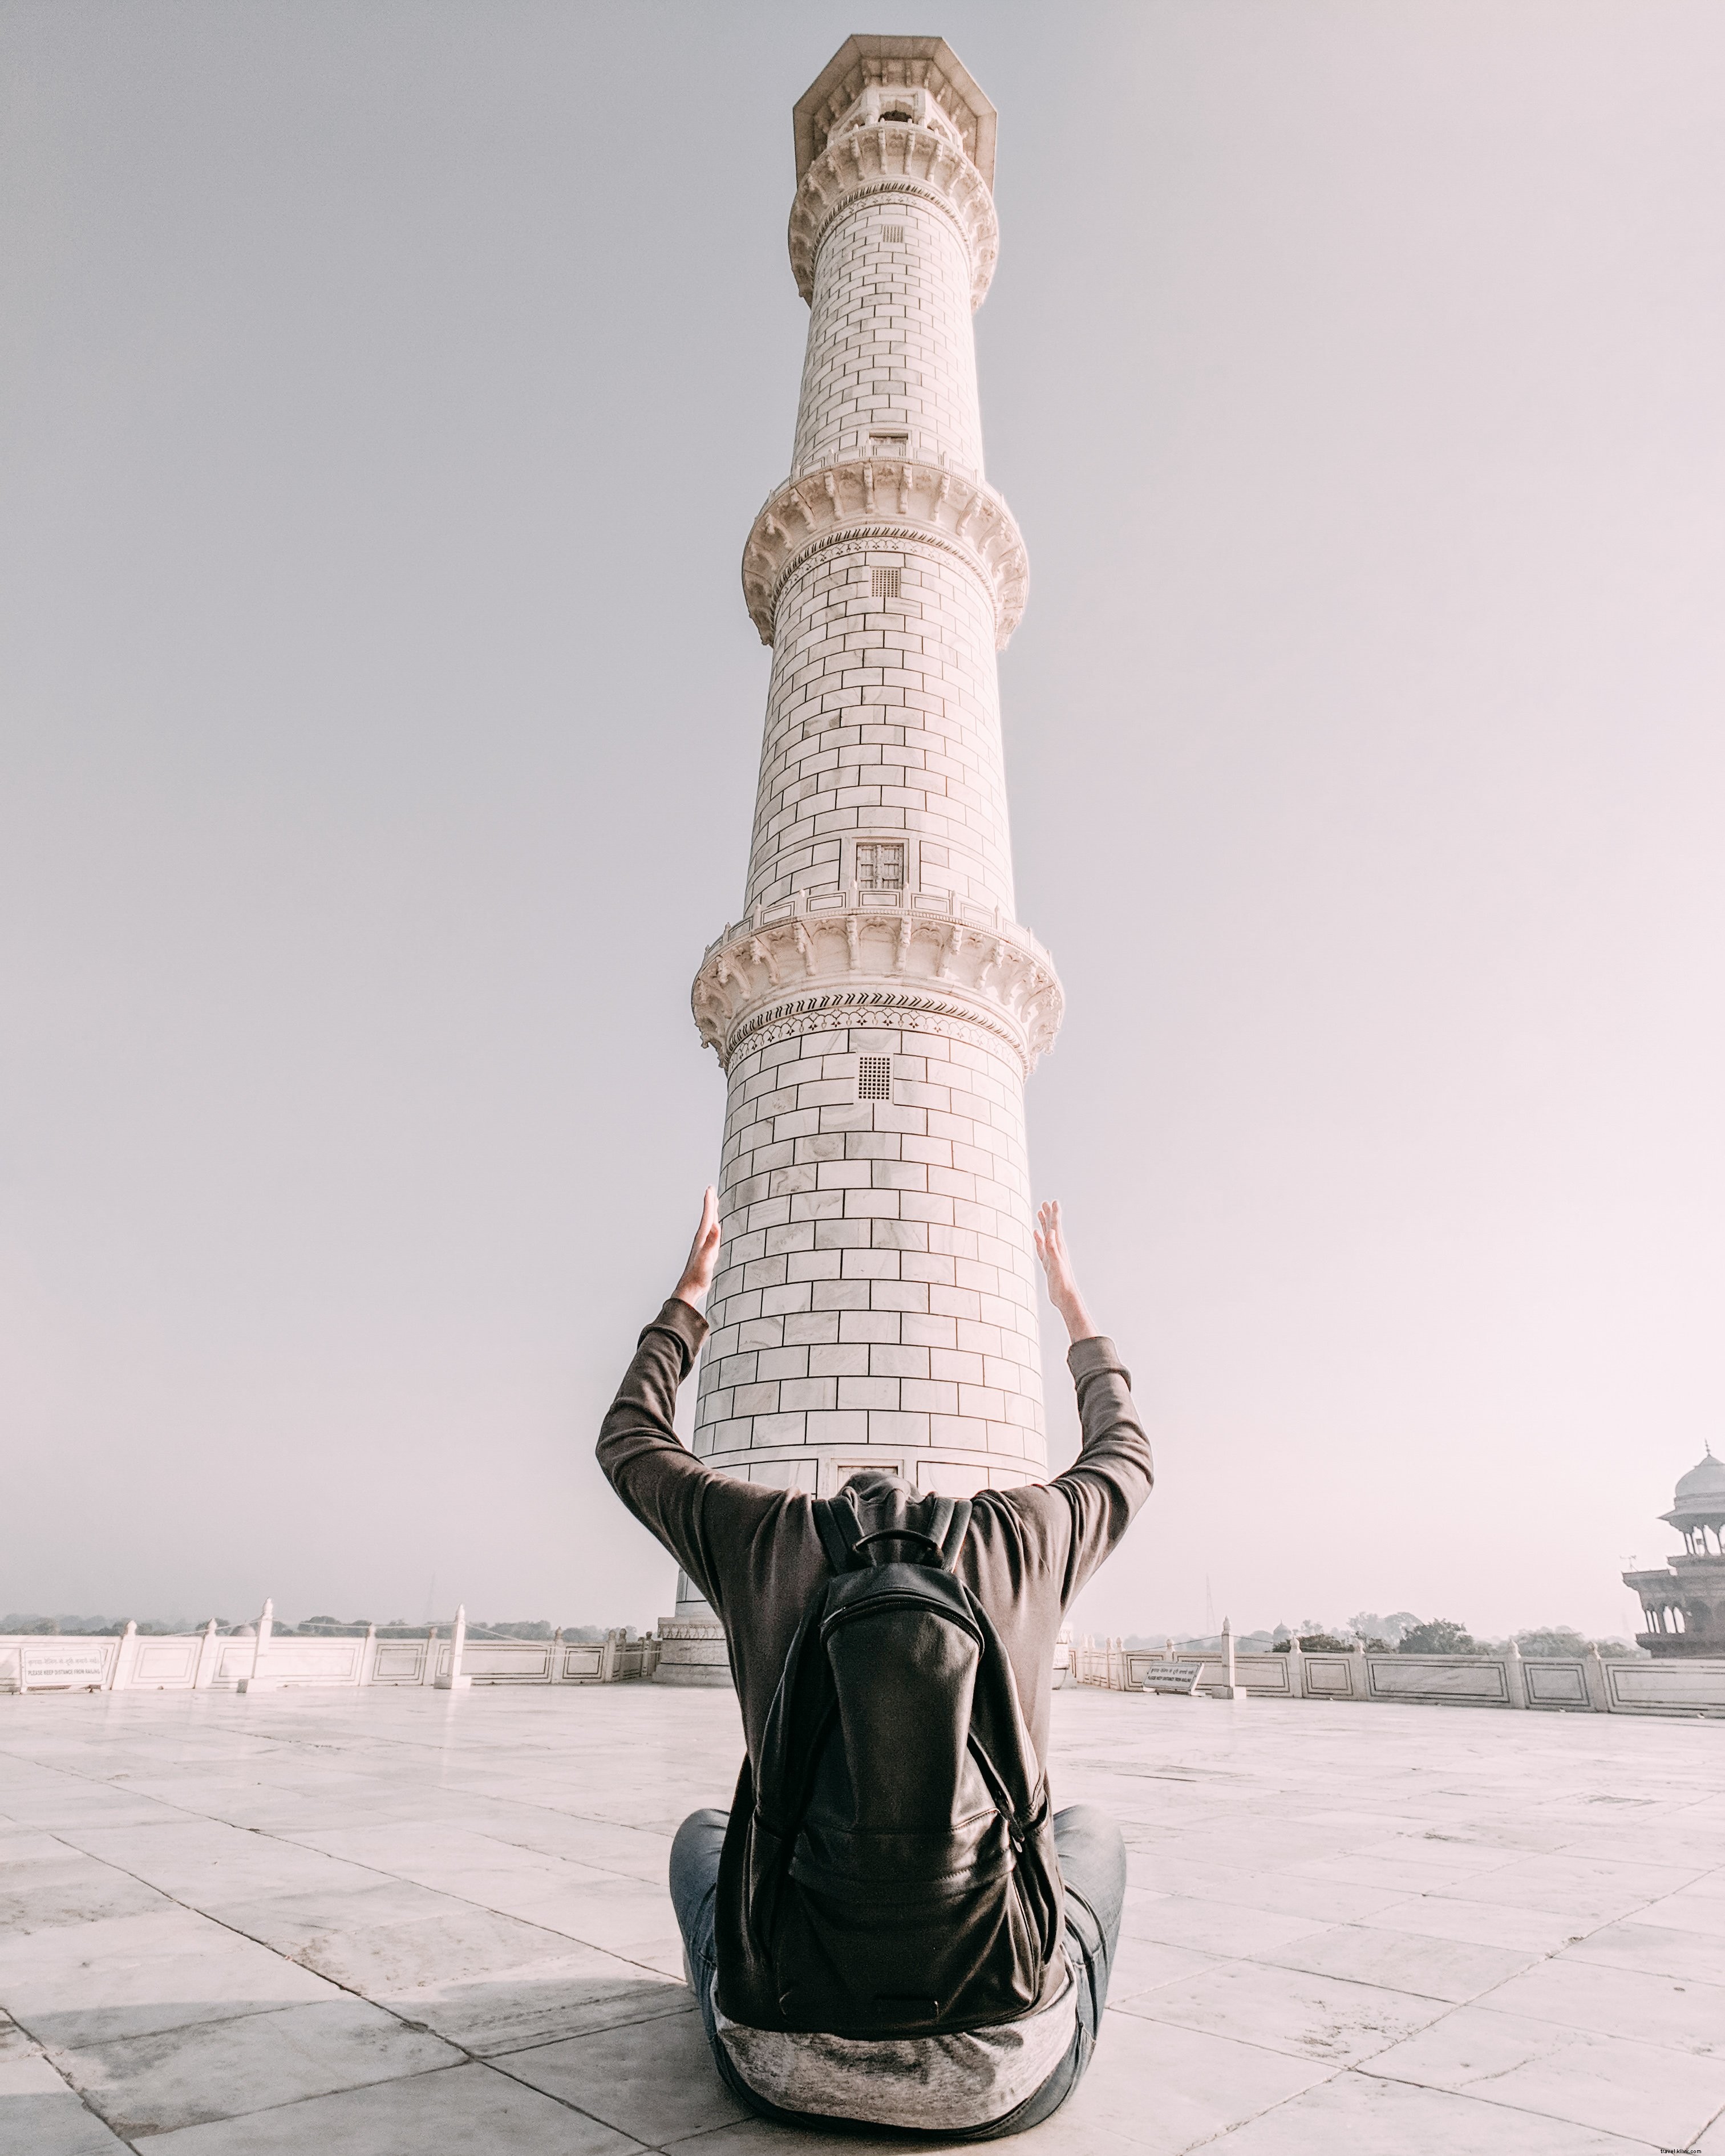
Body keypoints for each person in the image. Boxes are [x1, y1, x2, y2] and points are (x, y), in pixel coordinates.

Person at [596, 1190, 1154, 2139]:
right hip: (1002, 2077)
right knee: (1091, 1832)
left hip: (775, 2061)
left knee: (704, 1833)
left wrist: (690, 1295)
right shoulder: (1021, 1537)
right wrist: (1073, 1308)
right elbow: (1125, 1454)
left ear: (834, 1498)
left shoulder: (763, 1536)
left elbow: (631, 1441)